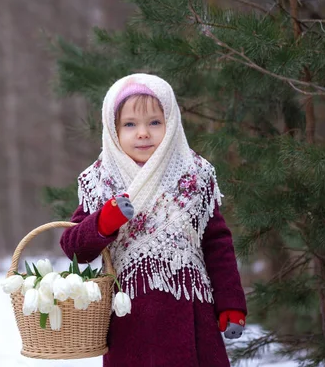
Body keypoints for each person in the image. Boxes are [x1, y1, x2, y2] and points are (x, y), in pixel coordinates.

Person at [60, 73, 247, 366]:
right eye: (130, 124)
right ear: (113, 129)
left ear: (171, 124)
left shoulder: (194, 175)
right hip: (130, 320)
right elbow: (74, 248)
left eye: (155, 122)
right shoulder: (101, 180)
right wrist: (104, 221)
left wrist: (231, 304)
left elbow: (217, 243)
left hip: (192, 314)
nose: (143, 133)